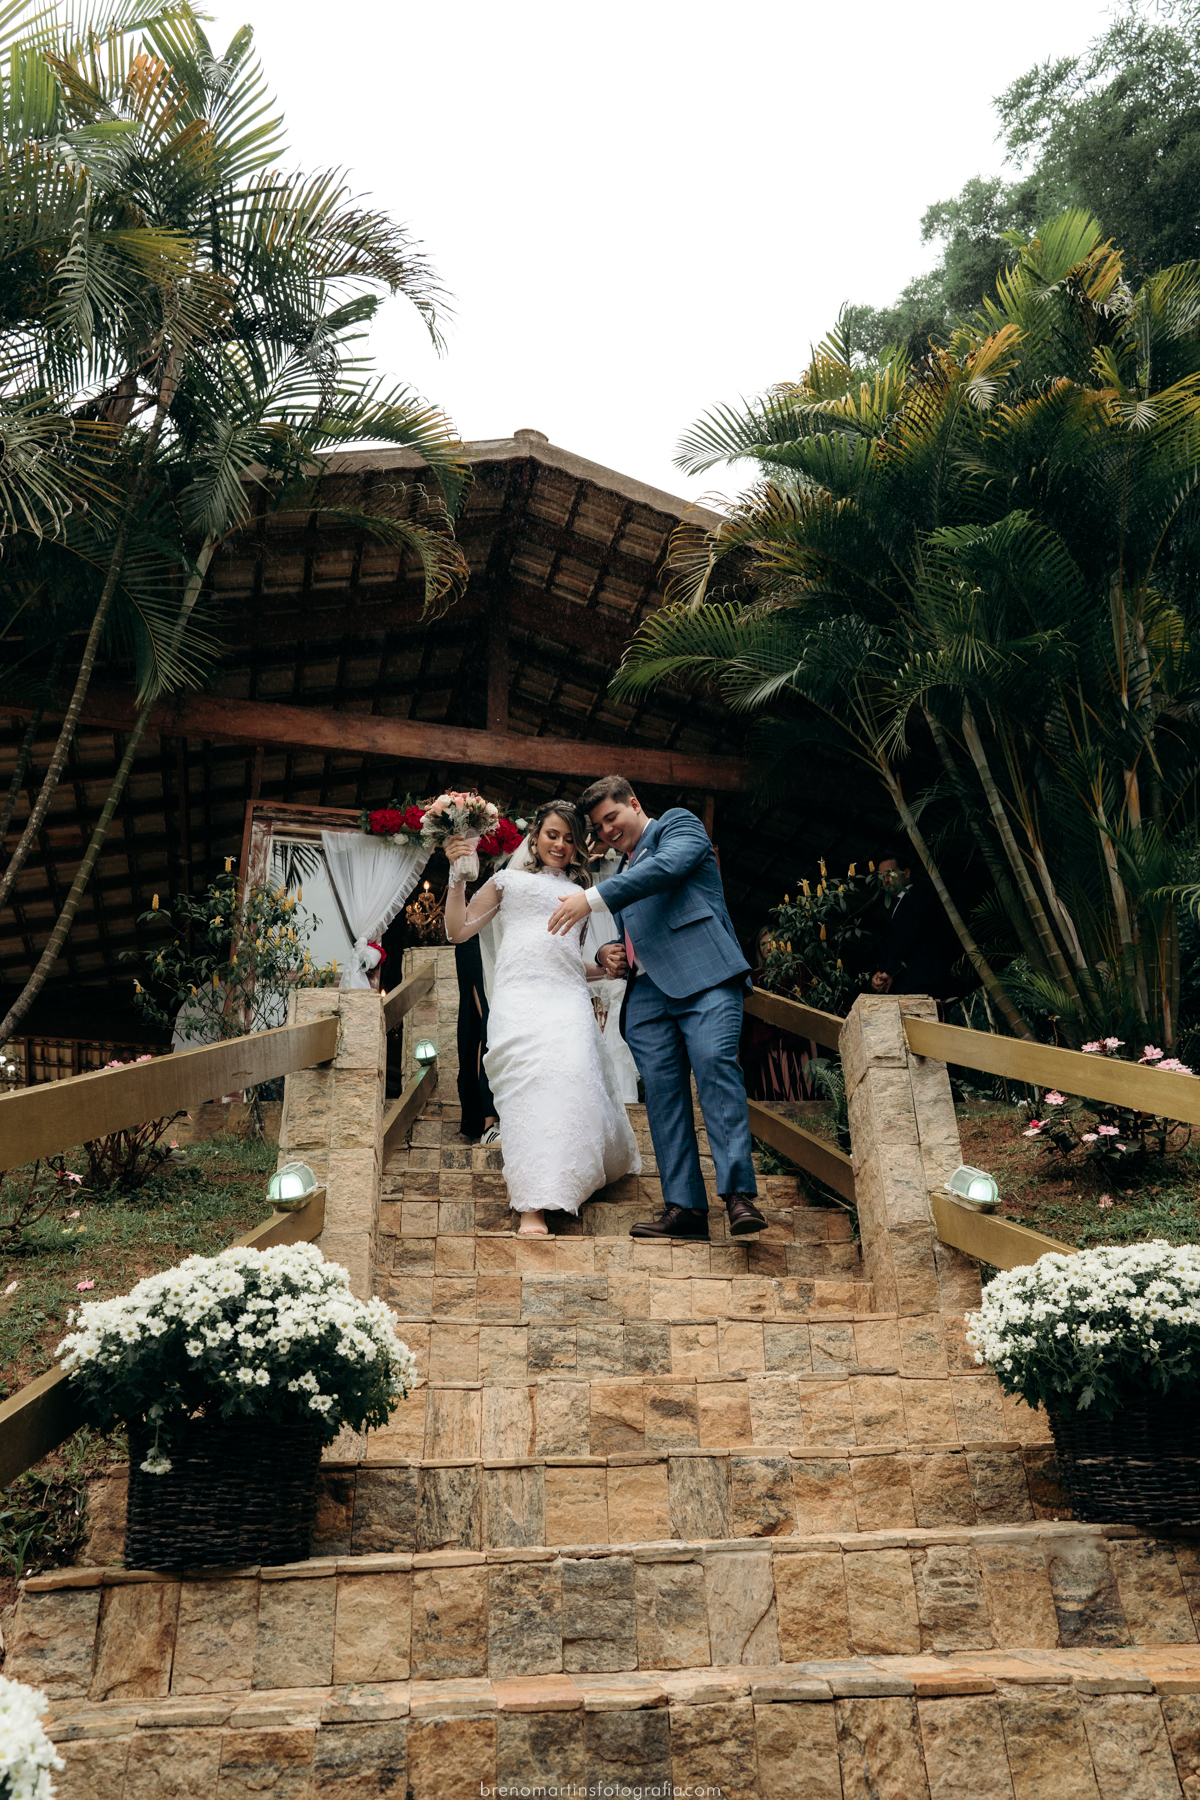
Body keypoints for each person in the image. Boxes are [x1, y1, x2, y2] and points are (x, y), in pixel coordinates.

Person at [548, 775, 766, 1241]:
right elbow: (644, 927)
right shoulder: (624, 868)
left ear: (634, 804)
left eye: (612, 817)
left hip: (704, 977)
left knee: (715, 1068)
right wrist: (613, 949)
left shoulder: (676, 827)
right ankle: (684, 1208)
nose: (606, 830)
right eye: (598, 826)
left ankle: (738, 1196)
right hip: (647, 997)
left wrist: (592, 898)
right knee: (664, 1098)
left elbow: (668, 869)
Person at [443, 800, 640, 1237]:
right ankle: (533, 1205)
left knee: (571, 1076)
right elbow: (457, 931)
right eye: (553, 834)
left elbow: (569, 959)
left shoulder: (581, 891)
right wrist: (457, 878)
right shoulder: (506, 881)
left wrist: (602, 963)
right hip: (517, 1000)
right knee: (528, 1088)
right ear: (535, 836)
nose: (561, 845)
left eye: (570, 839)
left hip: (567, 1001)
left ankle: (567, 1178)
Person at [740, 924, 816, 1102]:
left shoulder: (797, 968)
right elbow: (748, 1006)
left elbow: (807, 997)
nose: (768, 947)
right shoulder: (754, 977)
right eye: (763, 944)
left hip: (795, 1035)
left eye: (772, 942)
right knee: (772, 1088)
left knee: (801, 1084)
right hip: (767, 1041)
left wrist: (782, 1015)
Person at [870, 853, 959, 1001]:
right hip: (905, 984)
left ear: (906, 873)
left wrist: (889, 970)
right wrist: (881, 972)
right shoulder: (895, 906)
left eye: (889, 874)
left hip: (922, 980)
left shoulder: (918, 897)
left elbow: (908, 935)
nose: (885, 880)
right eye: (882, 877)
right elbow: (890, 943)